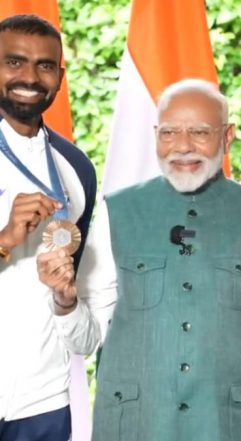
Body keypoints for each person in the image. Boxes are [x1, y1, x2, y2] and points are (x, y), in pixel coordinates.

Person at [38, 79, 241, 440]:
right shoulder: (117, 213)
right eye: (169, 132)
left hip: (234, 426)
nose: (182, 146)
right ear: (155, 136)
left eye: (199, 132)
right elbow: (85, 342)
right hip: (139, 426)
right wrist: (65, 301)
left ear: (227, 137)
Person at [0, 14, 96, 441]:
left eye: (44, 65)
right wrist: (4, 241)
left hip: (42, 401)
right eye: (14, 62)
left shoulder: (77, 169)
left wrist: (67, 300)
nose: (29, 77)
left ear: (60, 75)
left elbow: (86, 295)